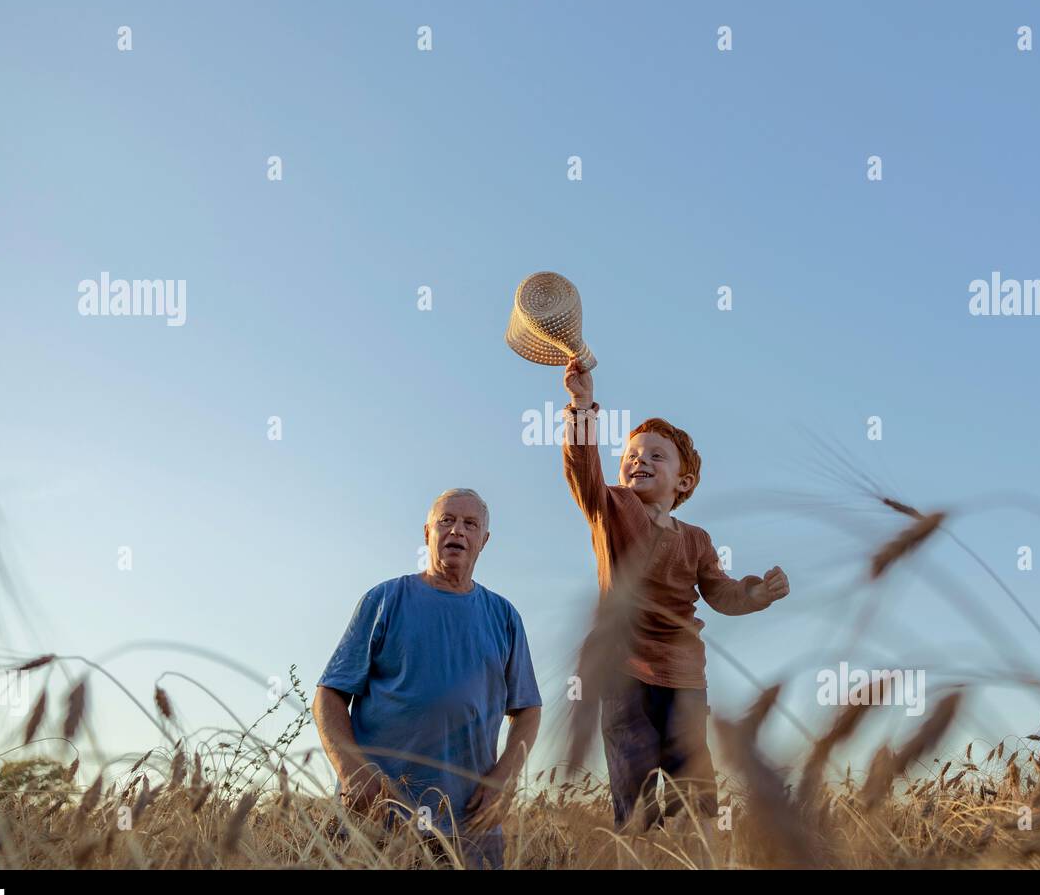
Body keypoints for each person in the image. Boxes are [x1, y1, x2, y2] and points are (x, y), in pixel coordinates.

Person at [560, 358, 789, 835]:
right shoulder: (612, 507)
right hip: (623, 673)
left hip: (685, 679)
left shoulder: (698, 539)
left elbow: (720, 593)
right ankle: (639, 851)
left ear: (683, 482)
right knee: (635, 784)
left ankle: (695, 855)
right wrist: (582, 406)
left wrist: (756, 592)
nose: (638, 459)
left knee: (694, 793)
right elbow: (583, 471)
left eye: (655, 455)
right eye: (631, 454)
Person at [313, 488, 543, 869]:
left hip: (467, 825)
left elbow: (528, 710)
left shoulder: (504, 616)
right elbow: (329, 695)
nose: (457, 531)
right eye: (446, 521)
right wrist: (350, 768)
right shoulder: (385, 599)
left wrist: (505, 778)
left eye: (470, 524)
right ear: (427, 533)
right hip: (378, 816)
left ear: (484, 541)